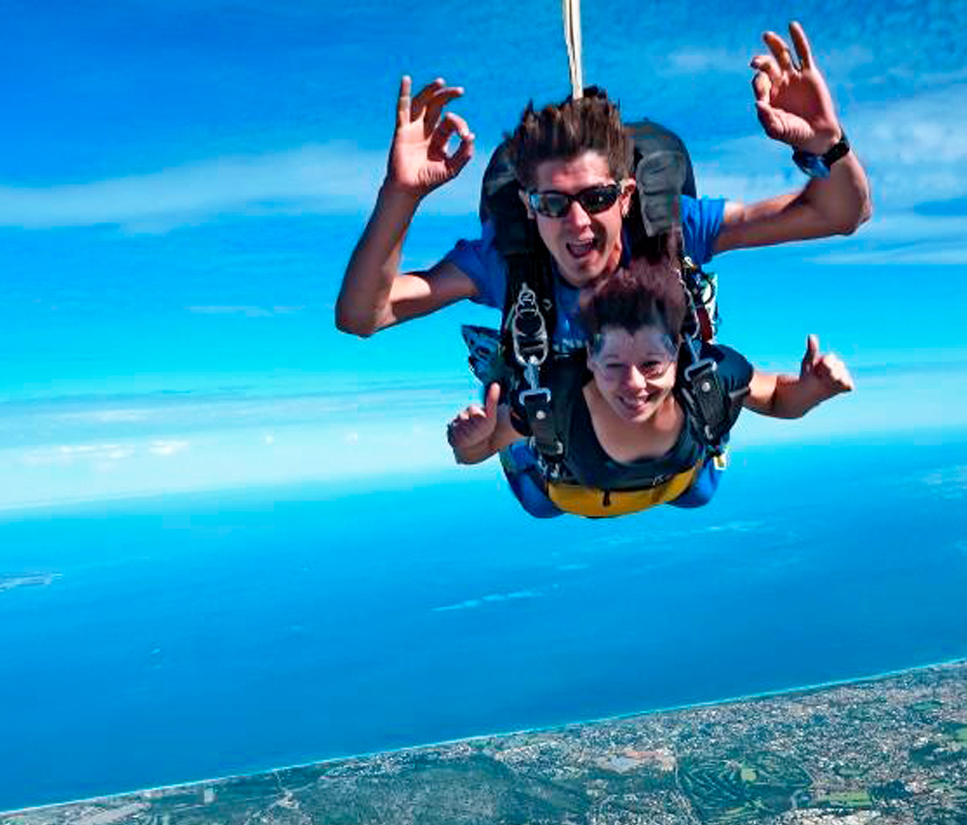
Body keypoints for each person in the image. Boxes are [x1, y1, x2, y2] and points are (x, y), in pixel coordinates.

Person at [334, 21, 871, 345]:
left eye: (596, 197)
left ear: (628, 195)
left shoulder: (673, 228)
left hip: (664, 427)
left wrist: (827, 144)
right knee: (545, 487)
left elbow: (840, 214)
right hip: (567, 443)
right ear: (527, 206)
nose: (577, 222)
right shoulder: (506, 259)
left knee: (694, 482)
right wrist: (400, 196)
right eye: (551, 202)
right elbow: (364, 315)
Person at [445, 256, 854, 518]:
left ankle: (686, 309)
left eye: (651, 364)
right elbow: (475, 453)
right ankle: (503, 374)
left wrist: (814, 391)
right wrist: (473, 438)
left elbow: (779, 397)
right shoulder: (554, 399)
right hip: (575, 488)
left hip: (674, 478)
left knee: (699, 494)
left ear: (678, 354)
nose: (633, 384)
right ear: (588, 358)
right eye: (614, 365)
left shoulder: (711, 376)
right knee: (540, 504)